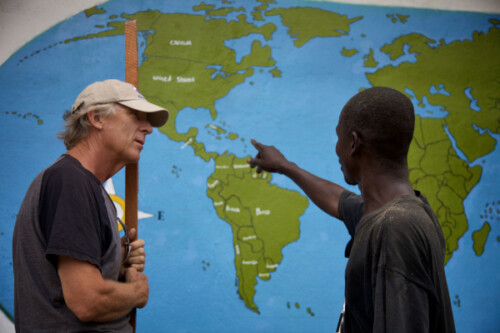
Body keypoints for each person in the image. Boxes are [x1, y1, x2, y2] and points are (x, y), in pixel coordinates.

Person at [247, 87, 455, 332]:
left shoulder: (395, 230)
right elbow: (338, 200)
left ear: (354, 143)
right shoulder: (397, 212)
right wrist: (285, 166)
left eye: (339, 137)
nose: (337, 147)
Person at [12, 79, 169, 332]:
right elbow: (87, 302)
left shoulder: (83, 185)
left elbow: (67, 287)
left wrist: (115, 264)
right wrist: (136, 292)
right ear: (96, 118)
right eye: (136, 115)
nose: (148, 128)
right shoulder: (70, 182)